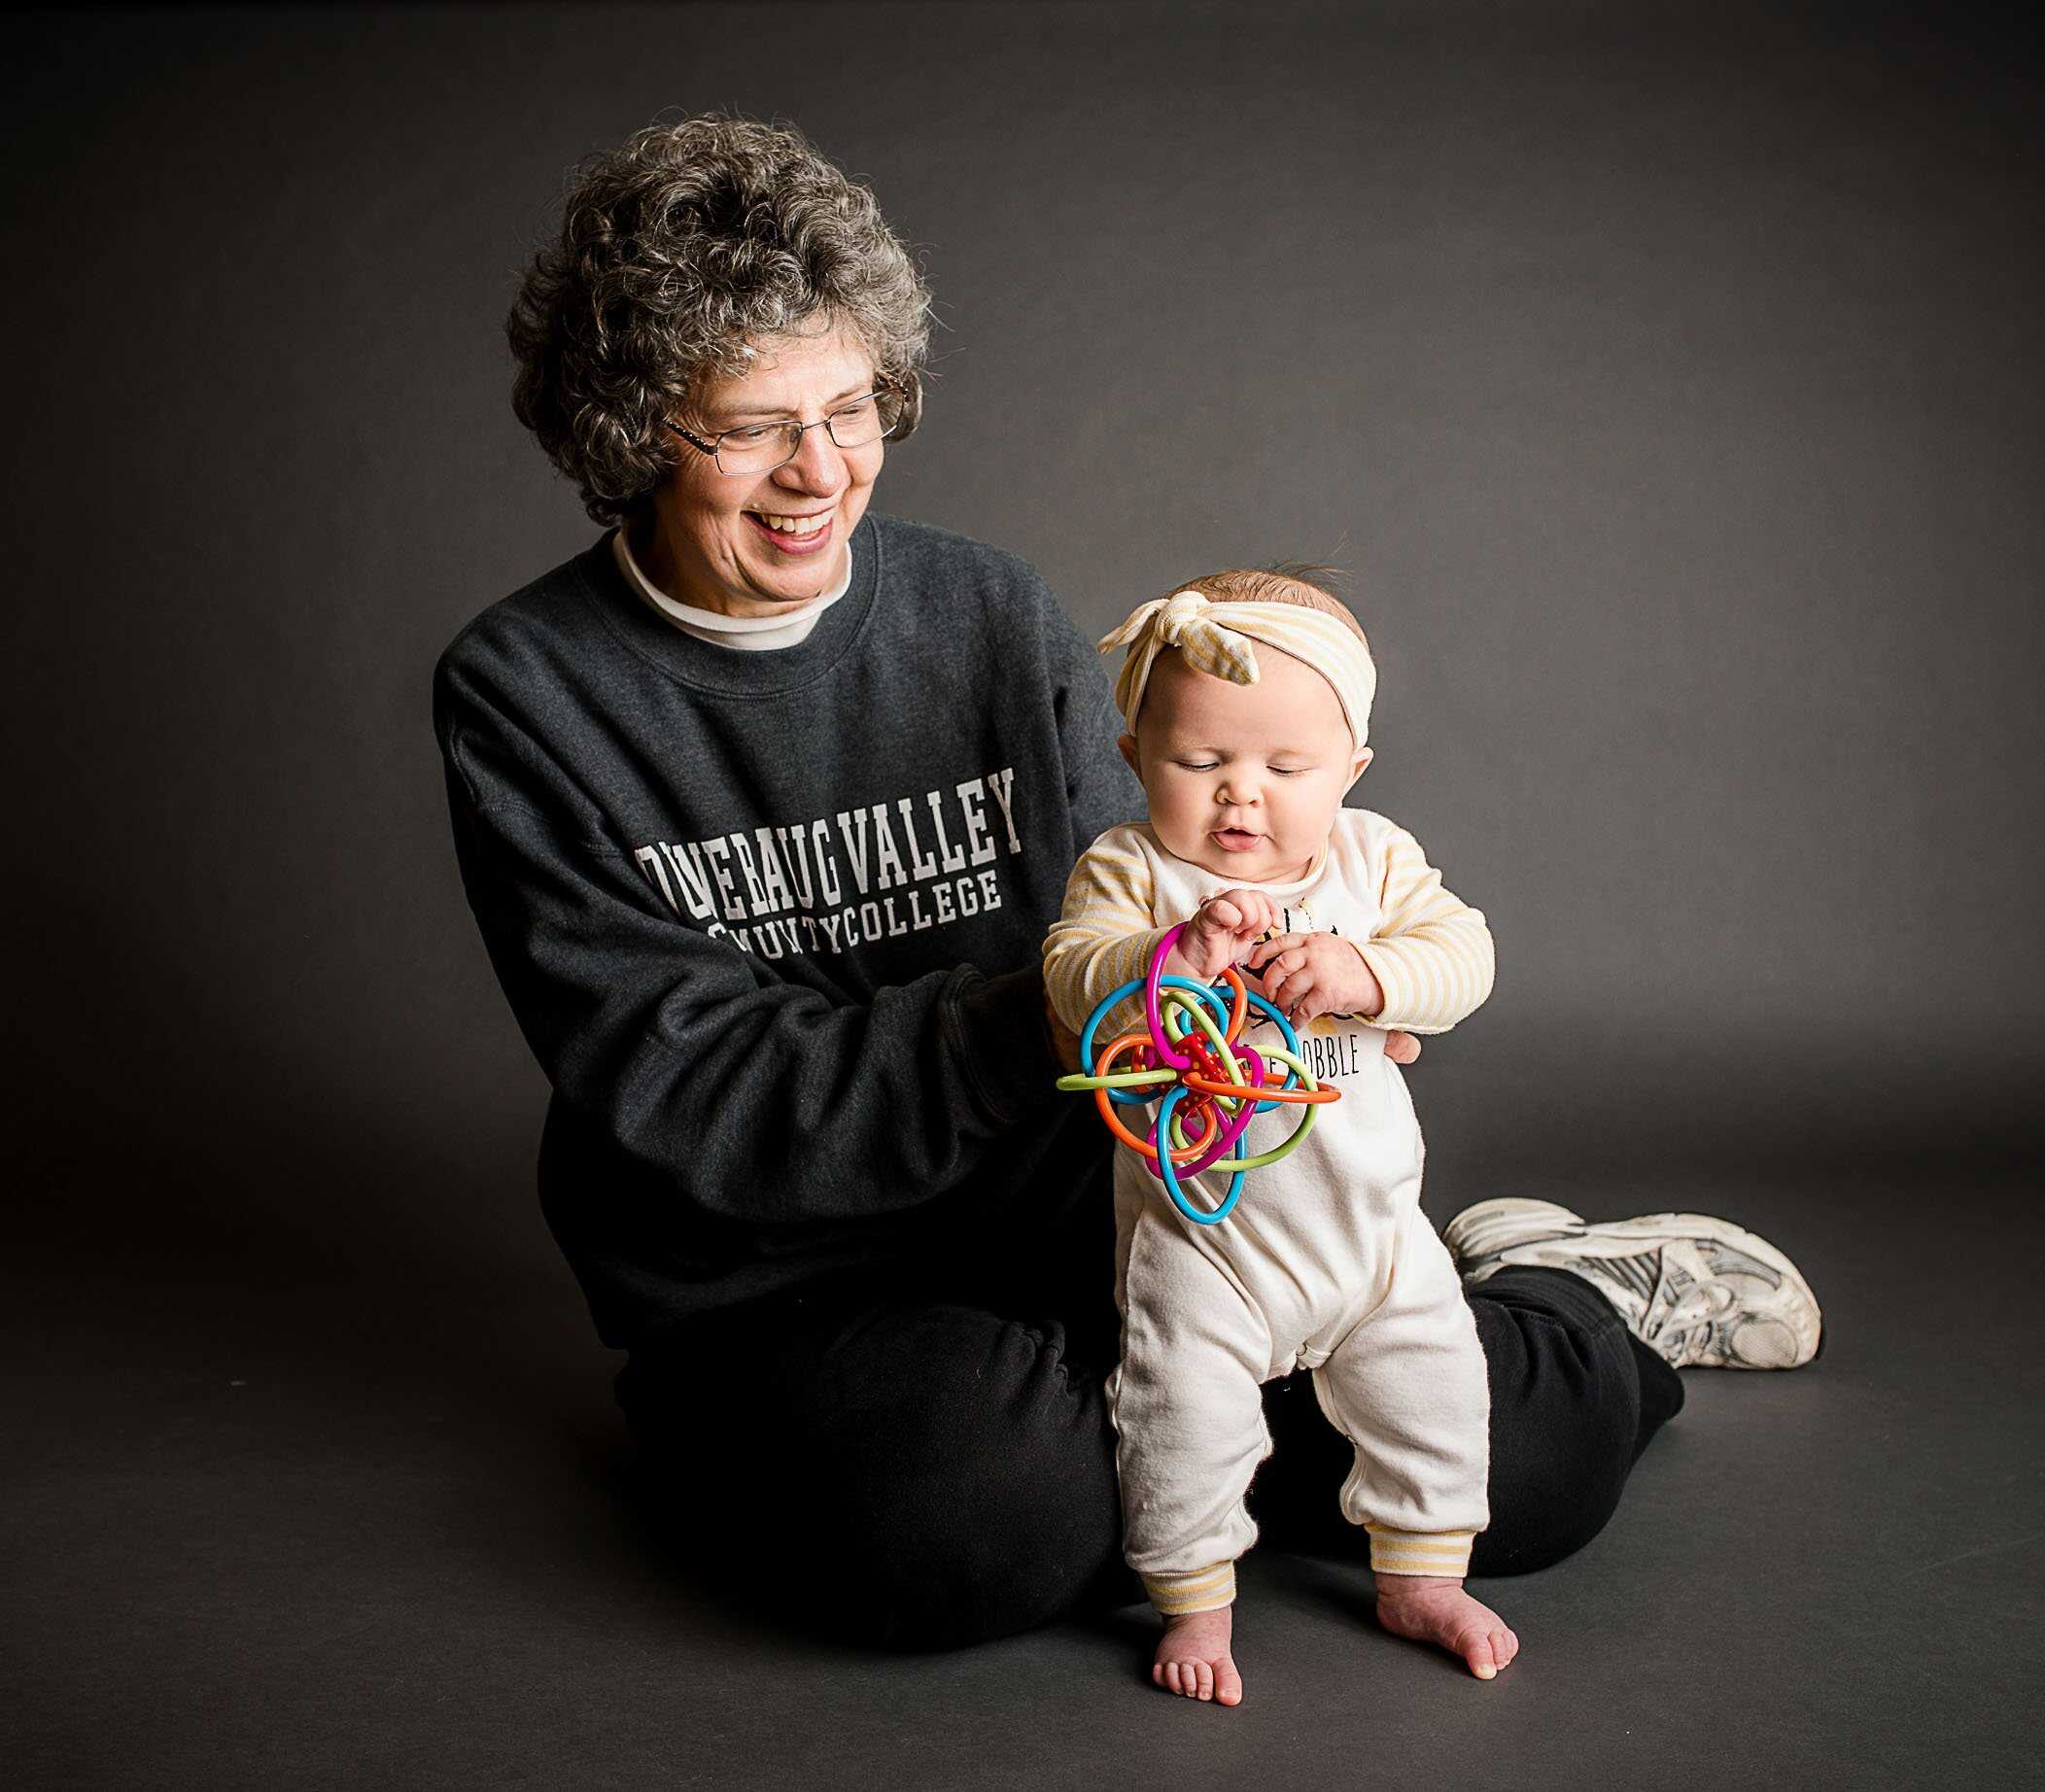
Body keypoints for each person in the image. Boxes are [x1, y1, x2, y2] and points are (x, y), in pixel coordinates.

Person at [433, 113, 1824, 1671]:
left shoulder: (985, 611)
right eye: (753, 428)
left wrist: (1270, 1003)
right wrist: (1069, 1020)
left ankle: (1553, 1278)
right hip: (778, 1286)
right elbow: (687, 1093)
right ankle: (1105, 1457)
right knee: (971, 1519)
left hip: (1100, 1212)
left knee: (1530, 1469)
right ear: (633, 428)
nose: (819, 473)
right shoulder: (532, 692)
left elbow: (1167, 906)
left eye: (850, 407)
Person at [1043, 570, 1508, 1701]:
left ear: (1349, 768)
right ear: (1135, 755)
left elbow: (1465, 956)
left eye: (1285, 768)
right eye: (1199, 761)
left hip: (1373, 1233)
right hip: (1207, 1247)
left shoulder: (1372, 859)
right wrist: (1171, 957)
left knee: (1438, 1394)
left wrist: (1370, 972)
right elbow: (1072, 969)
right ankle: (1195, 1598)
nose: (1239, 794)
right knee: (1178, 1417)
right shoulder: (1133, 868)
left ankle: (1422, 1574)